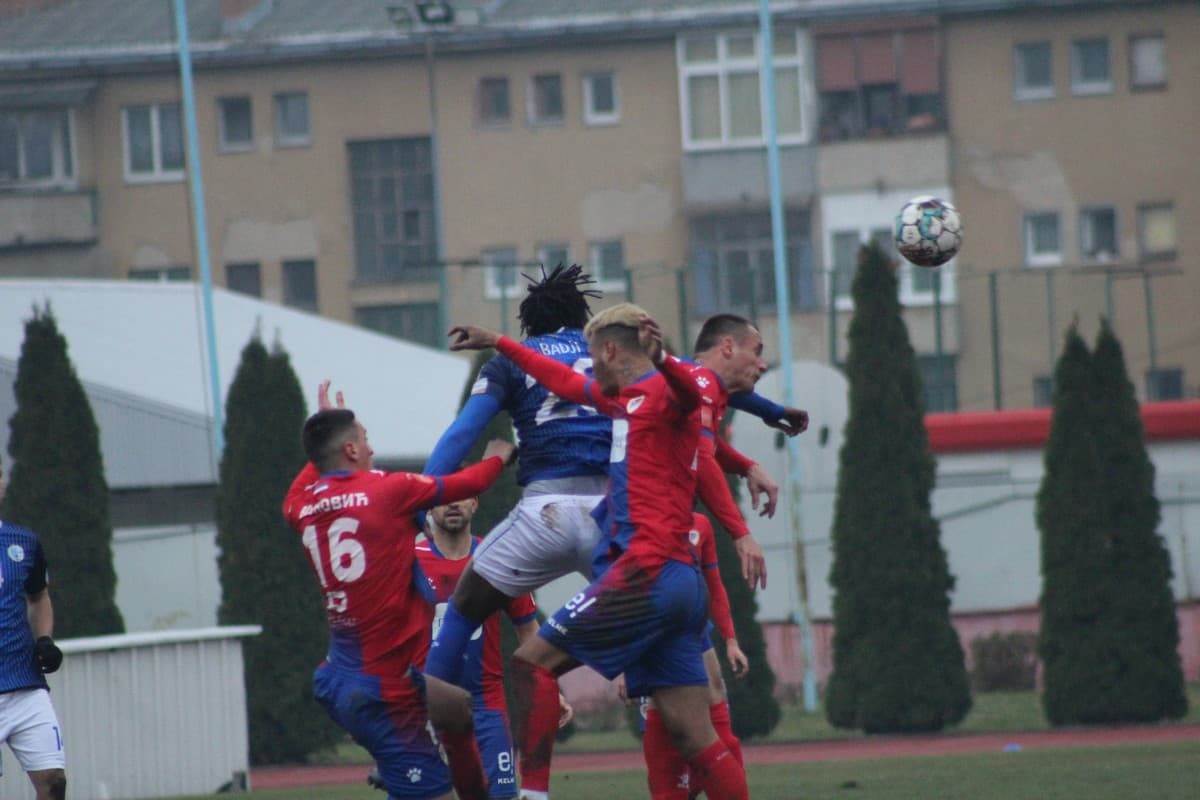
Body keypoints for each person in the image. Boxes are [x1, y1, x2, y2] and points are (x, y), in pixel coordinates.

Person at [423, 265, 789, 798]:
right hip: (662, 566)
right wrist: (767, 424)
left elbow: (693, 389)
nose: (587, 364)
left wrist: (427, 495)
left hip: (625, 557)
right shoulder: (627, 396)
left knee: (515, 649)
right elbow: (570, 382)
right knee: (694, 727)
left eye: (596, 355)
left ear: (615, 351)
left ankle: (515, 777)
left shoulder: (667, 387)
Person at [282, 383, 515, 800]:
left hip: (338, 676)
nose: (371, 448)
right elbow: (466, 482)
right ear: (351, 451)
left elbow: (312, 476)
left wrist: (320, 441)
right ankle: (402, 767)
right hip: (384, 691)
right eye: (365, 440)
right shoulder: (386, 491)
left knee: (456, 709)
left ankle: (402, 768)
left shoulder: (300, 506)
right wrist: (499, 457)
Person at [368, 496, 574, 798]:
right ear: (429, 507)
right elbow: (383, 637)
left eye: (461, 496)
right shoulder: (406, 561)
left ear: (475, 503)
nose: (452, 504)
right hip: (424, 709)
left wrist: (551, 688)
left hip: (486, 708)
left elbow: (527, 630)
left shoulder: (500, 558)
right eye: (443, 498)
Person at [618, 512, 745, 800]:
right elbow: (623, 590)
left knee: (714, 693)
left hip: (693, 625)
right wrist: (626, 661)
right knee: (665, 711)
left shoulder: (700, 524)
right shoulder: (634, 520)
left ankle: (712, 784)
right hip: (652, 629)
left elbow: (714, 584)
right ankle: (676, 789)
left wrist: (731, 641)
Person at [0, 459, 66, 800]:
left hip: (24, 685)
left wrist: (45, 640)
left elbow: (38, 596)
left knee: (54, 781)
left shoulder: (22, 542)